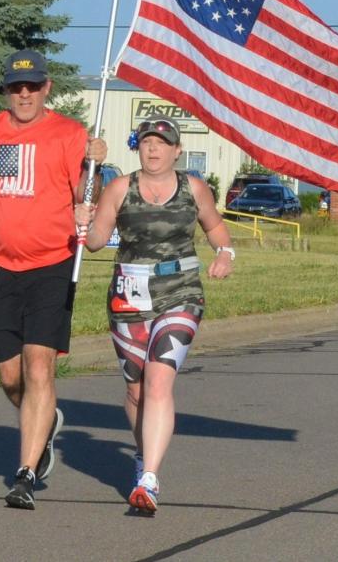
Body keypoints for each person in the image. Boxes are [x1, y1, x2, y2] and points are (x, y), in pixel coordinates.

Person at [0, 48, 107, 510]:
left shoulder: (68, 133)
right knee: (11, 378)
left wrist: (95, 164)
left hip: (53, 264)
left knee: (40, 365)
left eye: (32, 86)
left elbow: (86, 195)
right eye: (16, 87)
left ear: (46, 88)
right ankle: (45, 423)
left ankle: (25, 473)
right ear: (6, 91)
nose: (24, 95)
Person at [74, 117, 234, 513]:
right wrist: (82, 221)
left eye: (162, 143)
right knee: (137, 390)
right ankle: (144, 455)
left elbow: (215, 227)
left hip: (180, 292)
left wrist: (225, 253)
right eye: (147, 142)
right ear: (138, 147)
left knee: (160, 380)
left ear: (177, 151)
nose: (154, 149)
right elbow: (94, 242)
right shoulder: (118, 188)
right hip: (129, 296)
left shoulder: (193, 189)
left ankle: (149, 477)